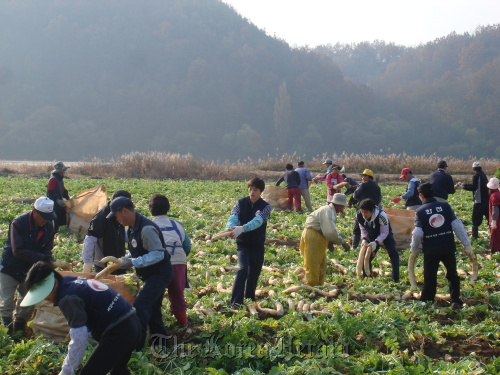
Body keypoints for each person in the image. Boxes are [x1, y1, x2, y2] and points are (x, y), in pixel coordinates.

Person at [21, 261, 141, 375]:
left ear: (55, 282)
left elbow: (79, 338)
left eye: (45, 293)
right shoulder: (69, 282)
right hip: (131, 321)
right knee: (118, 370)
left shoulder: (67, 299)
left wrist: (66, 371)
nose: (45, 298)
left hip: (119, 330)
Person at [106, 196, 173, 350]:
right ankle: (161, 345)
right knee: (154, 310)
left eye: (116, 215)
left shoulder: (146, 229)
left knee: (140, 308)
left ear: (124, 211)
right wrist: (124, 260)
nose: (117, 219)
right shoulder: (131, 228)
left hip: (160, 273)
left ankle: (136, 347)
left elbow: (158, 254)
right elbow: (137, 251)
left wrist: (133, 262)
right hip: (150, 274)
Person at [410, 182, 472, 309]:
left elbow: (418, 233)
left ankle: (427, 301)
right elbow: (457, 225)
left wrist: (414, 248)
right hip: (447, 246)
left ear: (421, 196)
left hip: (431, 249)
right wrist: (467, 244)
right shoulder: (445, 206)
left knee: (430, 276)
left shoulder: (420, 211)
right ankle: (455, 300)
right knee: (452, 274)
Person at [0, 197, 55, 337]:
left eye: (48, 217)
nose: (45, 220)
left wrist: (47, 259)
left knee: (28, 301)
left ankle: (19, 331)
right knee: (6, 302)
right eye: (43, 217)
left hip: (30, 269)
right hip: (10, 267)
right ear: (35, 211)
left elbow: (47, 248)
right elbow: (17, 250)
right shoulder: (18, 223)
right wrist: (41, 257)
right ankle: (7, 334)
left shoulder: (49, 226)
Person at [226, 177, 272, 307]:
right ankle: (236, 302)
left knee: (254, 272)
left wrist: (243, 228)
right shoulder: (240, 203)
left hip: (257, 244)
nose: (252, 192)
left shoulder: (266, 207)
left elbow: (257, 222)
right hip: (243, 244)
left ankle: (250, 298)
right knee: (243, 269)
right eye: (250, 189)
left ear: (261, 191)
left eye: (255, 190)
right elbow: (233, 217)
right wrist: (229, 228)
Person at [149, 193, 191, 327]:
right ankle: (183, 323)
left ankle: (156, 323)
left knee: (155, 296)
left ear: (151, 209)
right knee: (177, 294)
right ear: (168, 208)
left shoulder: (149, 225)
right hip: (178, 260)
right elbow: (187, 246)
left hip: (159, 263)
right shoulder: (176, 224)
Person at [299, 193, 350, 286]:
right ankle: (312, 285)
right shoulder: (328, 211)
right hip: (313, 235)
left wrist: (330, 243)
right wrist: (342, 242)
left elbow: (326, 230)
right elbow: (330, 232)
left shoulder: (330, 211)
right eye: (342, 206)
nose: (342, 209)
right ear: (338, 205)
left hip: (318, 236)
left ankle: (319, 284)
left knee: (321, 262)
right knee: (313, 262)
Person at [81, 190, 132, 274]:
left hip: (119, 261)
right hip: (103, 263)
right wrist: (87, 261)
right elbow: (90, 238)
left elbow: (120, 233)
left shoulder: (122, 214)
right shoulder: (101, 218)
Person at [357, 198, 400, 282]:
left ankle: (396, 278)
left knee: (393, 253)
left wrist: (376, 242)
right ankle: (367, 276)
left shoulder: (381, 215)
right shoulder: (359, 215)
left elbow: (385, 232)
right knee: (366, 256)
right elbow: (363, 228)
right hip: (371, 234)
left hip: (385, 234)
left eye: (366, 212)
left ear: (372, 210)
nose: (363, 214)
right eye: (362, 212)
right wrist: (364, 239)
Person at [351, 169, 382, 248]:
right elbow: (379, 200)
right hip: (373, 211)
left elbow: (355, 196)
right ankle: (370, 246)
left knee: (357, 229)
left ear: (367, 177)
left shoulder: (363, 185)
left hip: (362, 210)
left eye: (363, 176)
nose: (362, 178)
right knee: (371, 229)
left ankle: (354, 247)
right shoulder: (377, 187)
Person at [462, 162, 489, 238]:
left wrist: (464, 187)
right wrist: (466, 185)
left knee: (475, 219)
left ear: (473, 169)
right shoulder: (483, 175)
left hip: (479, 200)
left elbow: (474, 187)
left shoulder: (476, 176)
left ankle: (474, 237)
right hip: (486, 200)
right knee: (488, 218)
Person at [47, 161, 70, 232]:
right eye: (64, 171)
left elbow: (64, 191)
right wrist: (57, 200)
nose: (64, 173)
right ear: (60, 172)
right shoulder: (53, 179)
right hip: (54, 204)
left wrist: (68, 199)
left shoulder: (59, 179)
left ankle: (59, 232)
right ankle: (53, 233)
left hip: (59, 203)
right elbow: (50, 193)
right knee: (55, 220)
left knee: (62, 218)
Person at [487, 177, 500, 253]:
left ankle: (494, 251)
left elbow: (495, 209)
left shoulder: (494, 195)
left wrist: (494, 221)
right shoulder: (498, 193)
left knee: (495, 237)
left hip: (497, 220)